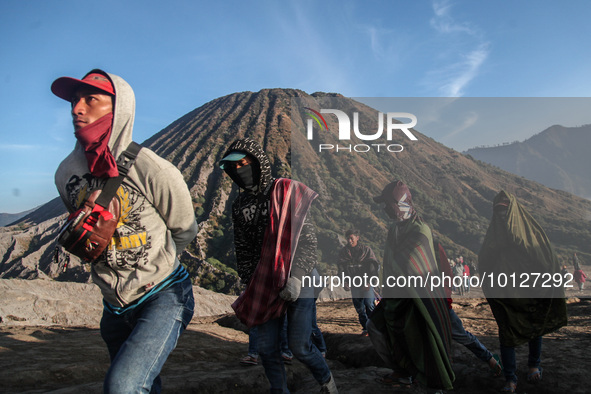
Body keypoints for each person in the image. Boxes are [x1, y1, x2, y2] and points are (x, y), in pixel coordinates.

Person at [52, 69, 198, 393]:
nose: (77, 108)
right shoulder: (66, 174)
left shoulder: (152, 169)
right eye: (75, 100)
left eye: (91, 99)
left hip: (163, 296)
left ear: (119, 108)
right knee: (144, 385)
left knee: (123, 386)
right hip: (113, 309)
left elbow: (185, 229)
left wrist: (151, 264)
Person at [220, 138, 337, 393]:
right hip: (265, 281)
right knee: (266, 349)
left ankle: (326, 381)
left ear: (257, 162)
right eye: (234, 166)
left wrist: (295, 278)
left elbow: (307, 241)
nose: (240, 169)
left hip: (301, 278)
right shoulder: (240, 205)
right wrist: (249, 284)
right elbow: (245, 249)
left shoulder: (285, 190)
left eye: (244, 163)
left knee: (299, 345)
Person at [367, 180, 454, 392]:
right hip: (395, 299)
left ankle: (435, 385)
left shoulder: (420, 230)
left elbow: (410, 265)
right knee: (375, 328)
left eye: (389, 204)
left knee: (425, 341)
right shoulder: (394, 230)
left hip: (420, 300)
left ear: (401, 203)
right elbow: (391, 264)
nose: (386, 209)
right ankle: (403, 371)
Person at [479, 191, 567, 393]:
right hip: (505, 294)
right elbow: (485, 261)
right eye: (498, 210)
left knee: (534, 328)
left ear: (514, 211)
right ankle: (510, 377)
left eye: (506, 210)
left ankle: (533, 365)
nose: (502, 215)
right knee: (506, 333)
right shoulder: (494, 235)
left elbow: (545, 257)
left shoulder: (530, 231)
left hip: (530, 290)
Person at [435, 242, 502, 377]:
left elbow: (447, 275)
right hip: (431, 303)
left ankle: (490, 359)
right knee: (459, 336)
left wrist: (444, 297)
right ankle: (489, 358)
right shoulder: (410, 241)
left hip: (437, 304)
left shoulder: (431, 245)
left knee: (459, 335)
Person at [337, 228, 379, 336]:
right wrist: (344, 281)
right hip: (354, 283)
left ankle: (374, 327)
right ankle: (365, 328)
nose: (349, 241)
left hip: (366, 282)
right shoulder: (344, 253)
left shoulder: (365, 250)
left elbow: (373, 267)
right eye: (348, 238)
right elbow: (341, 269)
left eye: (351, 238)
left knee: (369, 304)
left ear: (357, 238)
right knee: (359, 307)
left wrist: (369, 282)